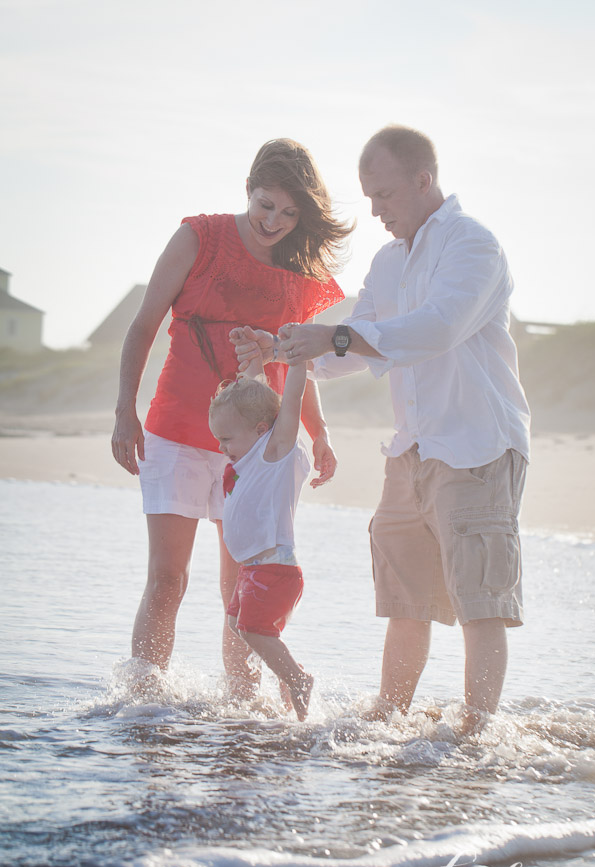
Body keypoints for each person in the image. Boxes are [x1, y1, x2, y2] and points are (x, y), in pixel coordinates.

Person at [236, 125, 531, 725]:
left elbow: (436, 328)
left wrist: (338, 334)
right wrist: (282, 348)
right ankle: (387, 723)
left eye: (385, 196)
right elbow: (347, 345)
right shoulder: (388, 260)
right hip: (410, 451)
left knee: (481, 606)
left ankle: (475, 739)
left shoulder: (474, 245)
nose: (376, 211)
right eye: (368, 197)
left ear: (424, 181)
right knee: (405, 602)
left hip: (476, 447)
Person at [111, 138, 351, 699]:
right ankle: (143, 704)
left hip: (253, 450)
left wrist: (322, 436)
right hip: (174, 430)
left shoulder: (298, 271)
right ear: (249, 189)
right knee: (167, 580)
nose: (274, 221)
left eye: (290, 214)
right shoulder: (200, 236)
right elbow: (144, 323)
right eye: (267, 205)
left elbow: (297, 360)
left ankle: (239, 707)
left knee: (238, 589)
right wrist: (126, 410)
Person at [209, 330, 313, 720]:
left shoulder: (276, 454)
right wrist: (253, 359)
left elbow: (289, 404)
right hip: (251, 570)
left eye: (225, 439)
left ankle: (297, 679)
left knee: (253, 630)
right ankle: (285, 679)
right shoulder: (248, 456)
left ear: (257, 431)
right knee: (239, 625)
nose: (221, 448)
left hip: (275, 569)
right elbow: (255, 393)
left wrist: (298, 362)